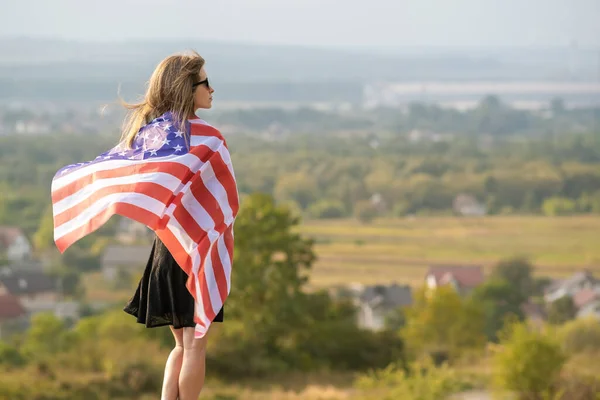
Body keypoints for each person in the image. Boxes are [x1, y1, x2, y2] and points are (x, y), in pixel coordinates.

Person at [118, 51, 219, 400]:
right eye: (205, 82)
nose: (212, 89)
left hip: (164, 250)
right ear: (188, 88)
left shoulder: (155, 138)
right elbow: (222, 202)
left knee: (181, 344)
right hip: (192, 251)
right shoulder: (207, 138)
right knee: (195, 345)